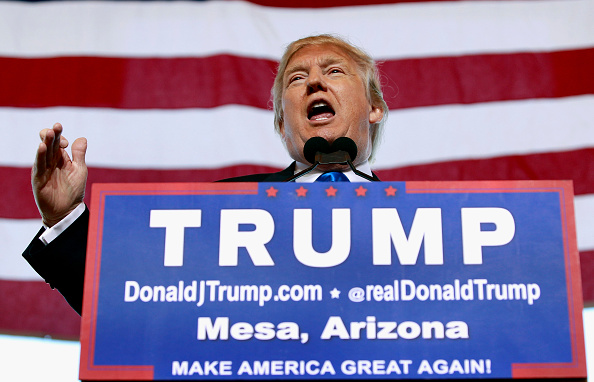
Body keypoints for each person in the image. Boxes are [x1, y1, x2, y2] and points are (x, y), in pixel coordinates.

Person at [22, 34, 389, 315]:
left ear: (374, 108)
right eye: (296, 79)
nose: (313, 83)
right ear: (281, 124)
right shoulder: (215, 209)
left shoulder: (437, 220)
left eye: (334, 71)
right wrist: (63, 217)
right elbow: (127, 300)